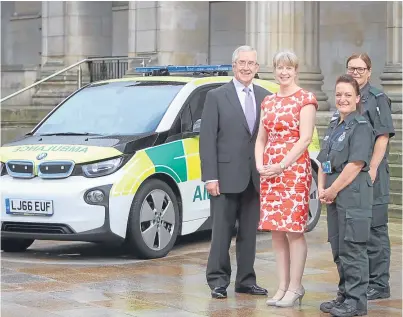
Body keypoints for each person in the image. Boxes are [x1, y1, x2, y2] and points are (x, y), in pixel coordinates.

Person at [199, 45, 269, 299]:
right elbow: (207, 139)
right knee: (221, 233)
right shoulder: (217, 96)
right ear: (234, 65)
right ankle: (218, 280)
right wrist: (210, 176)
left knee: (249, 233)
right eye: (242, 62)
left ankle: (246, 280)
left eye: (251, 63)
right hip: (224, 177)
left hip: (254, 176)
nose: (246, 67)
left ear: (257, 68)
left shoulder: (264, 96)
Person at [255, 50, 318, 307]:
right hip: (270, 172)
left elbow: (304, 139)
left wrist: (281, 164)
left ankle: (295, 287)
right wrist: (260, 164)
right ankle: (281, 286)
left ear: (296, 70)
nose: (284, 72)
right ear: (274, 70)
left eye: (288, 68)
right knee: (277, 231)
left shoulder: (306, 99)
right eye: (280, 67)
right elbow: (261, 137)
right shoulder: (268, 101)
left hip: (293, 171)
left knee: (293, 230)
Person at [318, 74, 375, 317]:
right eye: (339, 94)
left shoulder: (361, 127)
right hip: (334, 197)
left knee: (353, 249)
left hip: (352, 197)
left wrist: (331, 190)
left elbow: (354, 165)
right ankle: (344, 295)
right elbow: (323, 161)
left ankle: (356, 302)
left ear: (357, 98)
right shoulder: (334, 125)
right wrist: (322, 188)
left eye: (348, 95)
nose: (342, 99)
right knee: (339, 248)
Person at [345, 53, 395, 301]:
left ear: (369, 71)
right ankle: (363, 280)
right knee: (359, 228)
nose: (356, 72)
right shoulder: (348, 97)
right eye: (352, 68)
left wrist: (373, 168)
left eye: (360, 68)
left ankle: (379, 283)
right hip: (354, 173)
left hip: (373, 174)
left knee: (376, 229)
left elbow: (383, 136)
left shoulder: (377, 99)